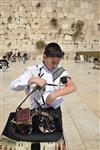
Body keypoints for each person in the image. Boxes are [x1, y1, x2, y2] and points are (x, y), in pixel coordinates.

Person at [10, 42, 76, 149]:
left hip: (55, 113)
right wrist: (32, 80)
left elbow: (71, 86)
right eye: (53, 62)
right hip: (36, 113)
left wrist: (54, 94)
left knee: (55, 141)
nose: (55, 65)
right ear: (44, 56)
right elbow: (13, 86)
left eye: (57, 62)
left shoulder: (60, 72)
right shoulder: (33, 70)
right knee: (36, 142)